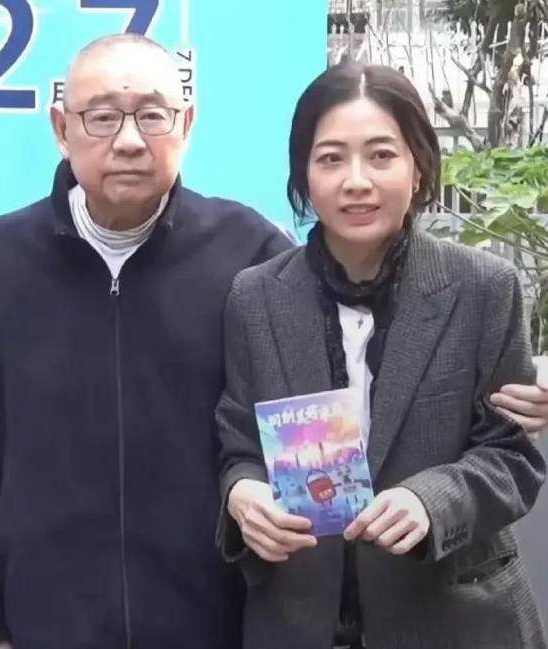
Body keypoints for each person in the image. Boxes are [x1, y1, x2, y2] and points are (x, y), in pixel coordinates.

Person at [216, 63, 547, 649]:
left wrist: (432, 500)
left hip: (452, 618)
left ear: (418, 168)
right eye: (331, 159)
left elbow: (511, 456)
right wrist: (243, 495)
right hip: (299, 617)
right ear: (303, 175)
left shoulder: (484, 288)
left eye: (381, 156)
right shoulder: (256, 297)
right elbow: (240, 446)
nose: (357, 181)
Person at [0, 33, 292, 649]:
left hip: (213, 625)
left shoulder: (252, 253)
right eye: (101, 117)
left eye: (153, 115)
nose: (128, 140)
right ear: (61, 129)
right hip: (42, 627)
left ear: (187, 124)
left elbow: (335, 373)